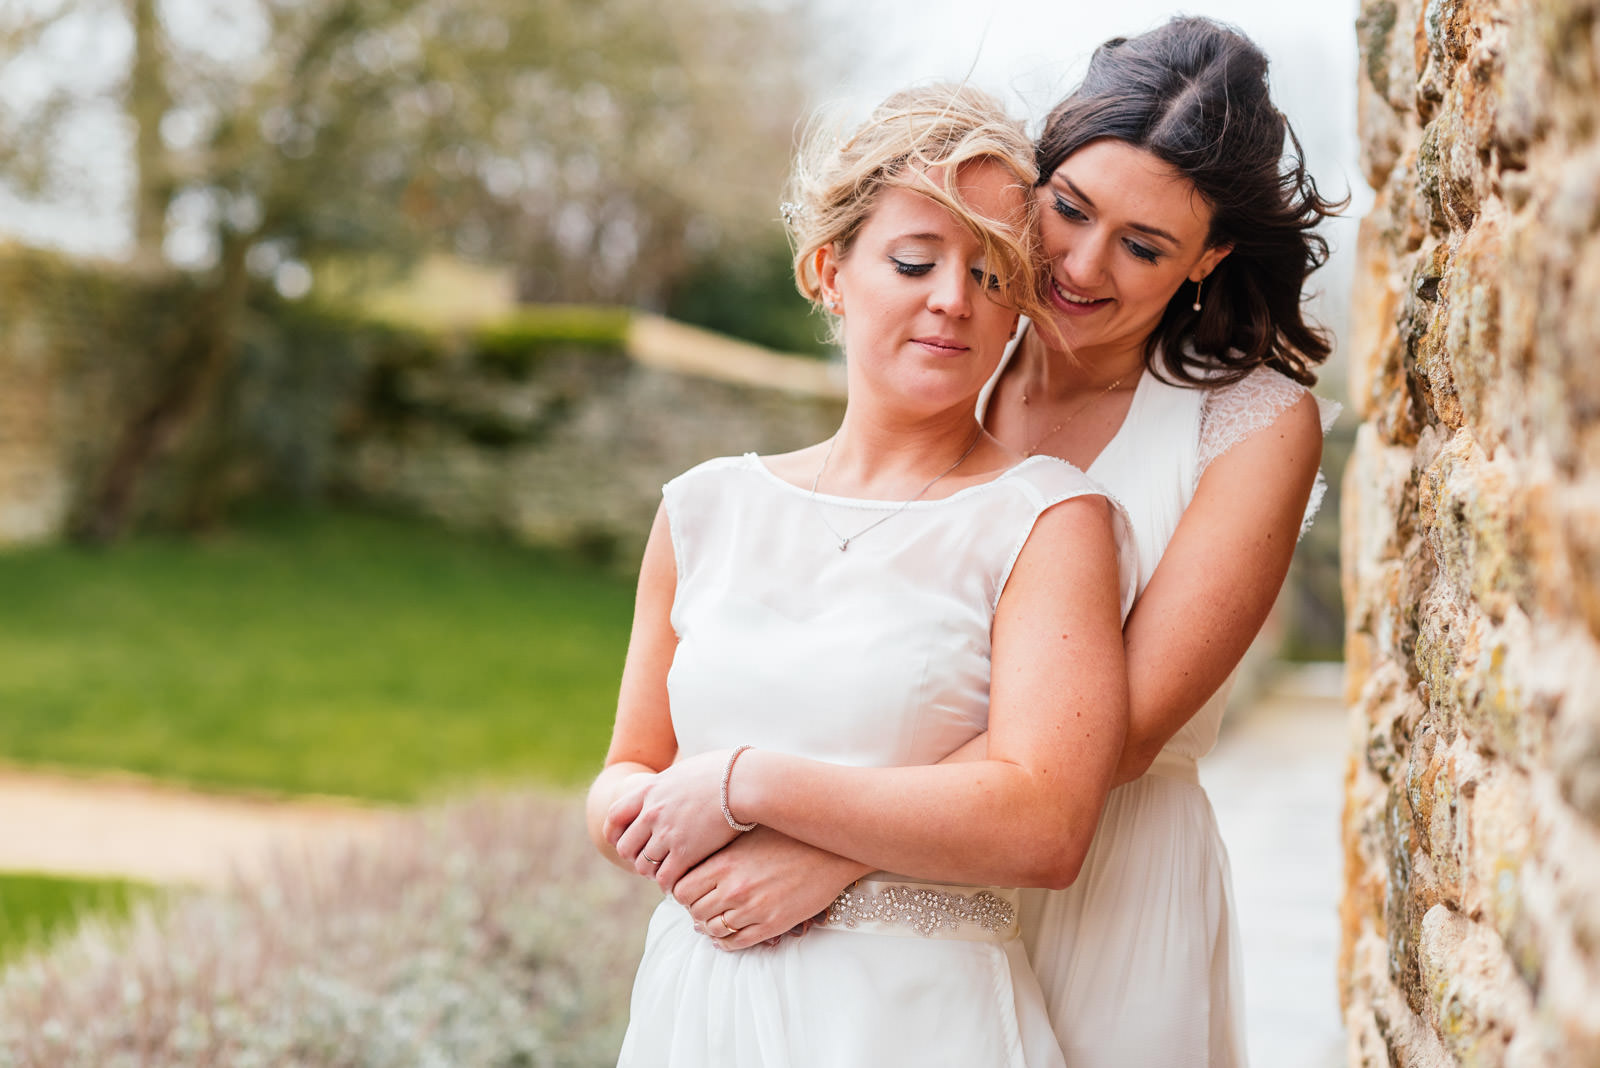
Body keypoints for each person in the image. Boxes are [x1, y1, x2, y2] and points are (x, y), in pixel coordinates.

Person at [641, 17, 1343, 1068]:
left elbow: (1124, 731)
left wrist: (832, 855)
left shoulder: (1247, 424)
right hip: (896, 907)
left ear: (1209, 259)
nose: (1078, 265)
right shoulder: (962, 336)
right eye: (1068, 210)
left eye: (1143, 246)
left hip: (1108, 876)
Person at [586, 84, 1139, 1067]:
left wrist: (747, 786)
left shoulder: (1047, 521)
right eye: (916, 260)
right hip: (700, 1011)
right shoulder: (703, 510)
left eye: (993, 275)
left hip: (920, 1024)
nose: (953, 300)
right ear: (828, 271)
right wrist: (627, 811)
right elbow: (631, 762)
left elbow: (1046, 822)